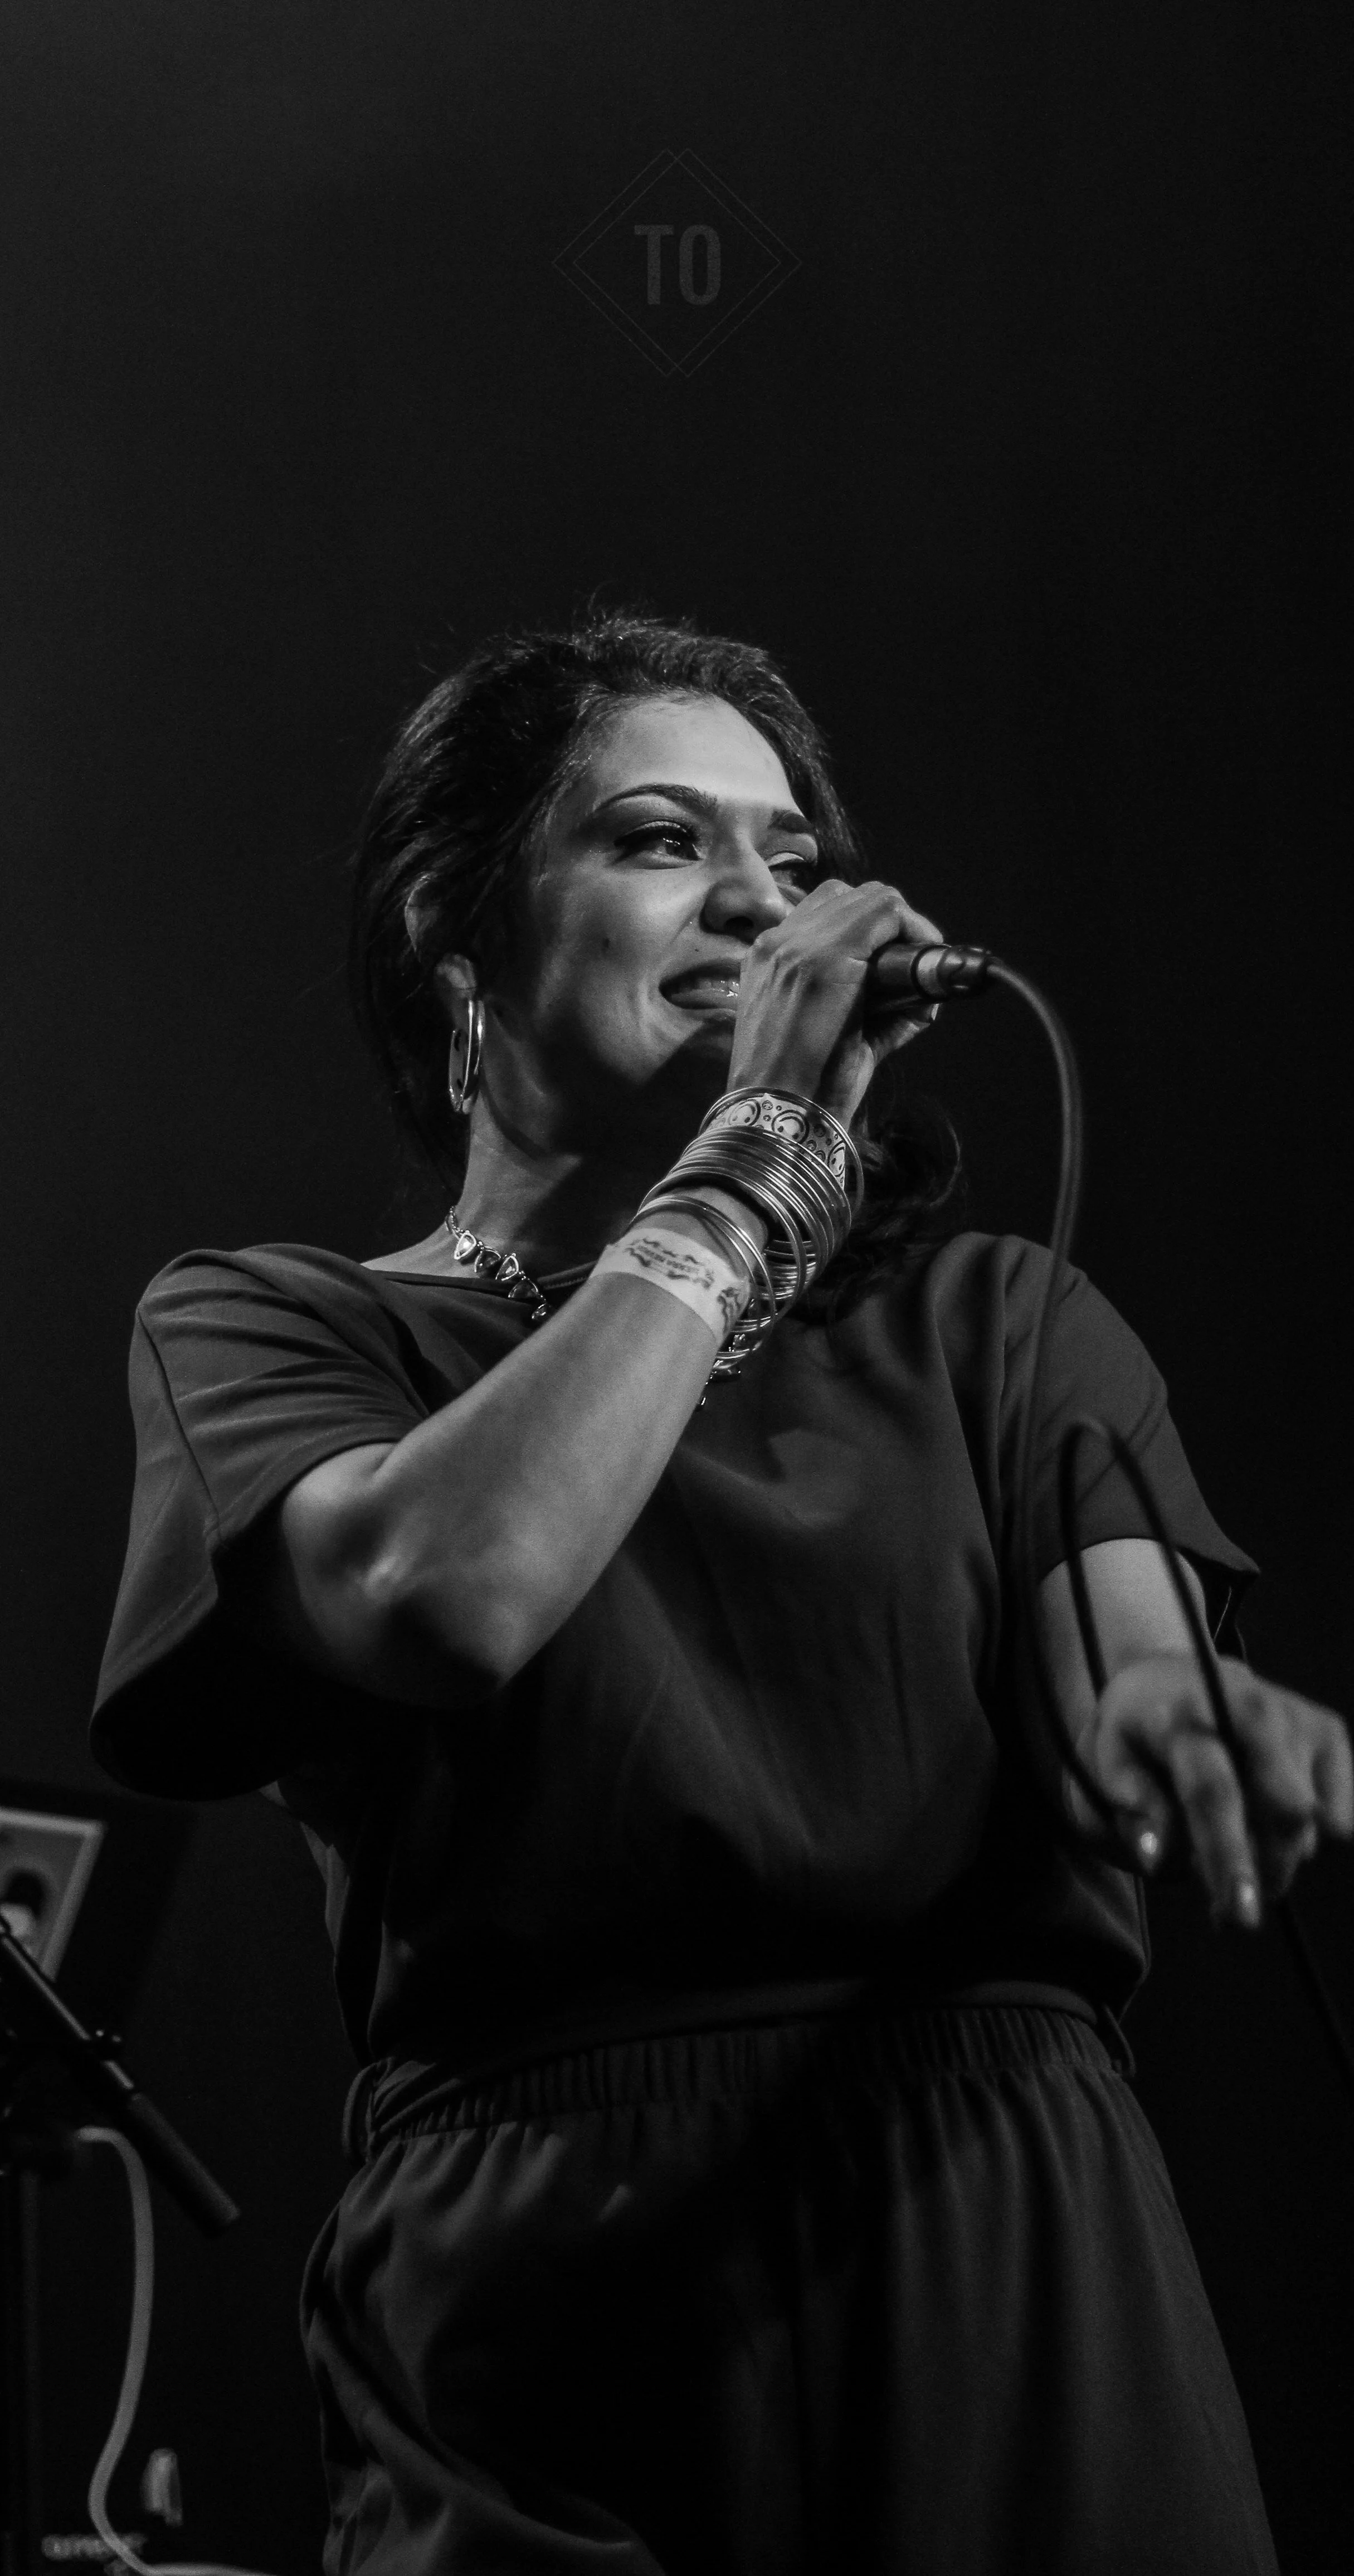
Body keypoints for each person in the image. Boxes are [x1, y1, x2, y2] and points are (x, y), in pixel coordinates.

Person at [93, 610, 1349, 2576]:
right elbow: (452, 1591)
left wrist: (1187, 1719)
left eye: (789, 856)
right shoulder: (280, 1325)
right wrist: (760, 1161)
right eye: (666, 840)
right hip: (551, 2306)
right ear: (462, 935)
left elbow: (1127, 1664)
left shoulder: (993, 1322)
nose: (761, 904)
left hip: (995, 2235)